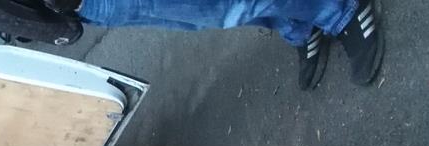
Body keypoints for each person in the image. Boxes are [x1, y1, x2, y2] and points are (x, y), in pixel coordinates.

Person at [45, 0, 384, 91]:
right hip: (77, 8)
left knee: (224, 4)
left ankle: (341, 11)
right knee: (209, 16)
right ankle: (300, 26)